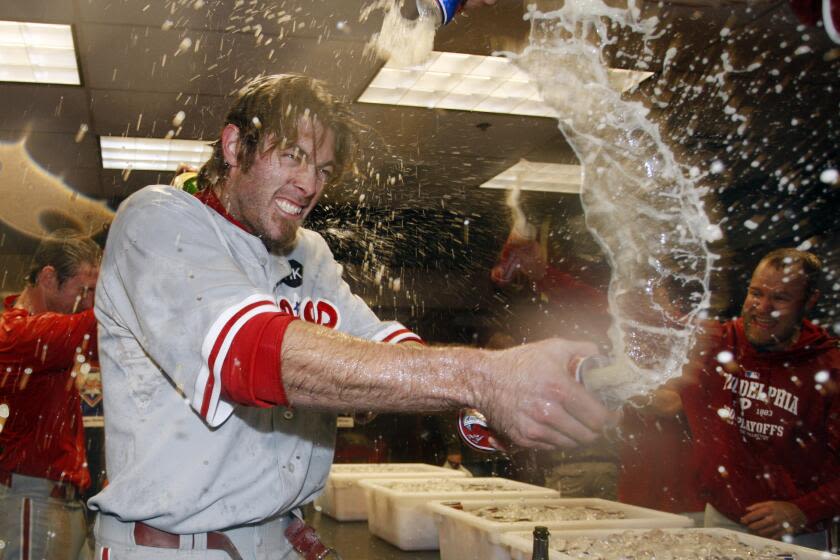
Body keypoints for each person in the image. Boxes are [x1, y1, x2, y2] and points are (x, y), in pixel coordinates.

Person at [89, 74, 611, 559]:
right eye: (292, 156)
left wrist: (479, 403)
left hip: (282, 536)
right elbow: (255, 357)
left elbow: (383, 346)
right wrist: (482, 377)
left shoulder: (307, 250)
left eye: (322, 169)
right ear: (233, 146)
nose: (309, 184)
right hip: (173, 546)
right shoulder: (157, 219)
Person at [632, 249, 839, 548]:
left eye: (780, 298)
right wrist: (617, 390)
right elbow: (670, 398)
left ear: (809, 301)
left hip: (798, 533)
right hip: (722, 518)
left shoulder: (830, 368)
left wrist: (804, 510)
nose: (762, 307)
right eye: (756, 293)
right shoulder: (716, 344)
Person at [0, 230, 101, 560]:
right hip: (31, 497)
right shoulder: (16, 332)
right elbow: (103, 324)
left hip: (62, 498)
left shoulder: (55, 329)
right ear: (48, 277)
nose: (90, 301)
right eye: (84, 290)